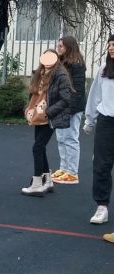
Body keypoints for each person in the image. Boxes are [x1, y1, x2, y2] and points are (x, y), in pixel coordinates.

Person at [21, 49, 73, 196]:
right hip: (38, 116)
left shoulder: (61, 76)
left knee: (37, 148)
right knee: (40, 147)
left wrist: (49, 112)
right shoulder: (39, 73)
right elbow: (33, 95)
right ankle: (48, 180)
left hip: (49, 116)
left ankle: (37, 184)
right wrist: (28, 108)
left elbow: (66, 99)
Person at [83, 34, 114, 228]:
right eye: (110, 44)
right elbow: (95, 96)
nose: (111, 47)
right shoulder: (103, 70)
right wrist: (90, 120)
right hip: (106, 122)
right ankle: (102, 207)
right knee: (101, 165)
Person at [52, 35, 86, 186]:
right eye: (58, 45)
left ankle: (72, 172)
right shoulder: (61, 63)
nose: (58, 48)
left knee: (71, 138)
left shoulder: (77, 65)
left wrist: (70, 109)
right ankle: (64, 168)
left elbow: (78, 90)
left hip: (71, 108)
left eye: (61, 46)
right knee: (61, 138)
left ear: (68, 47)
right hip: (61, 106)